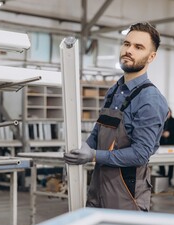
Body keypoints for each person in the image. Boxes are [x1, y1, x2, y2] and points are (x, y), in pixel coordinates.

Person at [63, 22, 168, 211]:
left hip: (127, 194)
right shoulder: (114, 91)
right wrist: (83, 148)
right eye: (126, 44)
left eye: (138, 47)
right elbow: (99, 131)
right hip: (98, 187)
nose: (129, 50)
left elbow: (140, 154)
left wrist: (94, 155)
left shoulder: (150, 99)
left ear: (151, 56)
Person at [158, 108, 174, 186]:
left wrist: (170, 133)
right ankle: (163, 176)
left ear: (171, 113)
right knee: (160, 161)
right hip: (162, 145)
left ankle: (169, 178)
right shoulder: (160, 121)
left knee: (171, 162)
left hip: (172, 144)